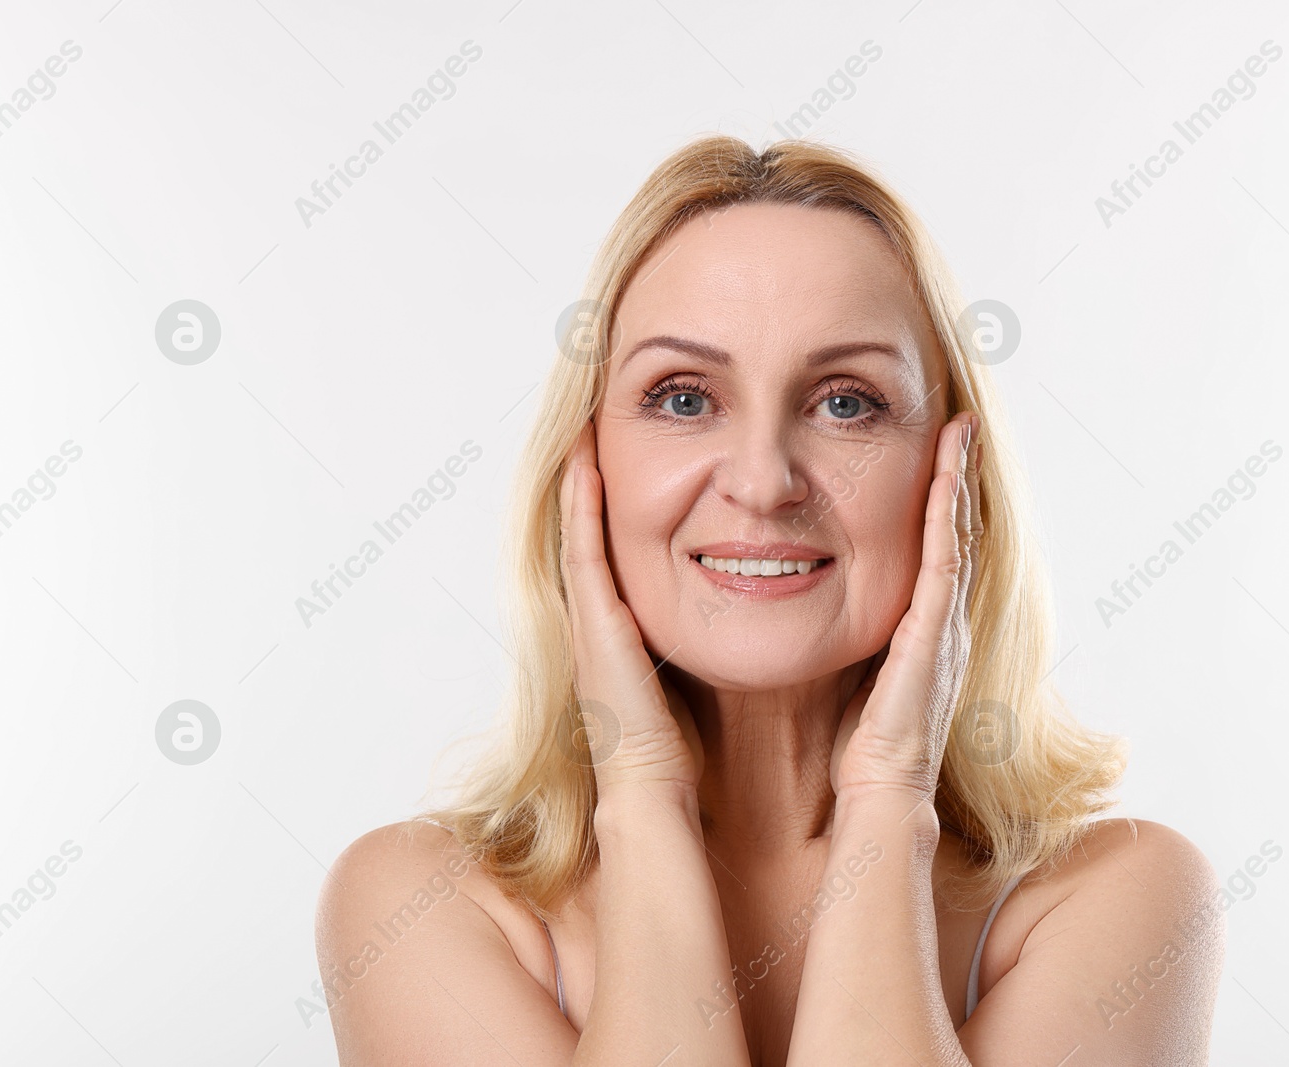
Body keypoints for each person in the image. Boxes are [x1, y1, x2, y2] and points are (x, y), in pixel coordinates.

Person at [314, 135, 1225, 1066]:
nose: (762, 481)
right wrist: (638, 794)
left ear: (955, 476)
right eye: (681, 399)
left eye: (846, 403)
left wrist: (888, 798)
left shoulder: (1122, 897)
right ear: (585, 467)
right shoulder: (418, 906)